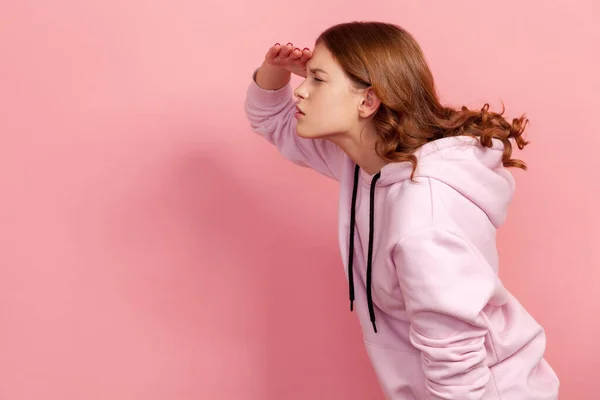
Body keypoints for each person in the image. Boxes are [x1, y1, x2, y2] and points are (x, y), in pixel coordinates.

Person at [243, 21, 559, 399]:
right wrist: (276, 68)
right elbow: (271, 120)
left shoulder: (423, 219)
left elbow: (458, 373)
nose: (301, 93)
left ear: (367, 100)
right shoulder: (367, 164)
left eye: (318, 80)